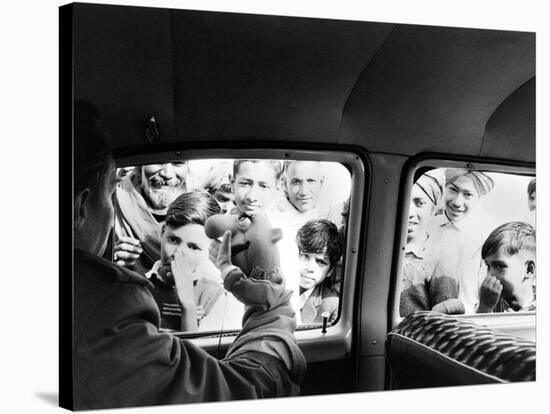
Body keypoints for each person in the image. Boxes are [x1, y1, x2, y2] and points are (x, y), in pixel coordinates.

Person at [72, 101, 305, 410]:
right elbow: (243, 396)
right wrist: (269, 307)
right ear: (80, 207)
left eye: (193, 246)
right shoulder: (105, 309)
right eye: (108, 195)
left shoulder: (217, 293)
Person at [146, 191, 243, 332]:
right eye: (173, 240)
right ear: (162, 234)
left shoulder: (215, 297)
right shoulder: (139, 287)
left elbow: (195, 353)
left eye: (193, 247)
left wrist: (188, 307)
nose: (178, 254)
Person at [399, 170, 463, 316]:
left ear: (433, 209)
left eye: (420, 203)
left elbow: (445, 323)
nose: (410, 212)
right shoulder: (379, 249)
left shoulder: (440, 259)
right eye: (403, 201)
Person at [432, 168, 495, 313]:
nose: (457, 202)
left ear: (478, 198)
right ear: (444, 188)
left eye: (467, 194)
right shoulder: (424, 228)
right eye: (453, 190)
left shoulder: (484, 239)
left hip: (467, 322)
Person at [113, 161, 191, 274]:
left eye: (177, 163)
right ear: (140, 167)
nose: (167, 174)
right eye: (158, 161)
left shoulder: (196, 208)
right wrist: (111, 262)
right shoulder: (115, 199)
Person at [476, 222, 536, 313]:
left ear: (529, 270)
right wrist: (484, 309)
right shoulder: (488, 304)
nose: (489, 275)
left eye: (499, 267)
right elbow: (477, 327)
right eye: (488, 266)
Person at [296, 219, 343, 324]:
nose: (310, 268)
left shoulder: (333, 306)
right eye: (305, 256)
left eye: (321, 262)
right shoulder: (271, 288)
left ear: (330, 270)